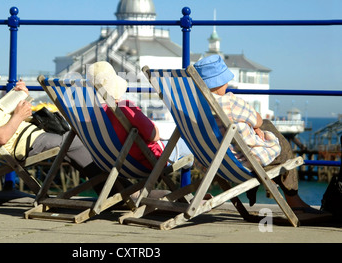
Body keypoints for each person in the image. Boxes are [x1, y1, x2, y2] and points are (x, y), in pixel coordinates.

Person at [193, 54, 329, 217]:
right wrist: (257, 127)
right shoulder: (229, 102)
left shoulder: (193, 107)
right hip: (243, 162)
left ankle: (263, 188)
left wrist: (256, 127)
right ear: (222, 81)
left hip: (213, 162)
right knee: (278, 145)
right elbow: (257, 120)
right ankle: (294, 201)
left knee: (265, 128)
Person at [0, 52, 102, 180]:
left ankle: (106, 187)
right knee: (75, 141)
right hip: (25, 144)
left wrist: (18, 97)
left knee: (71, 141)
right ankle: (110, 188)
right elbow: (0, 137)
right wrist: (19, 116)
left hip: (28, 138)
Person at [87, 61, 193, 170]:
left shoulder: (90, 114)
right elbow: (154, 136)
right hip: (145, 161)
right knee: (188, 146)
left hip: (111, 163)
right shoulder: (124, 107)